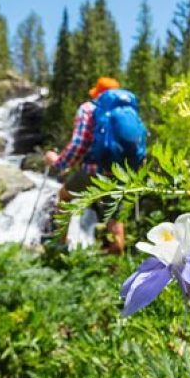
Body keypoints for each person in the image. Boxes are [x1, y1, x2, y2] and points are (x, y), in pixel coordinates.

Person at [44, 76, 127, 254]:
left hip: (93, 170)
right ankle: (117, 264)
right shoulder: (125, 112)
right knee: (114, 216)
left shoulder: (88, 109)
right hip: (120, 174)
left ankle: (60, 247)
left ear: (97, 93)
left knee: (64, 196)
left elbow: (79, 144)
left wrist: (59, 163)